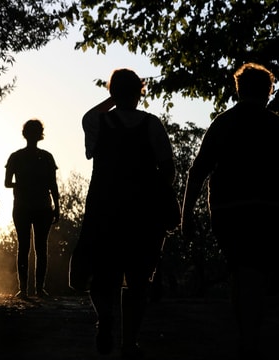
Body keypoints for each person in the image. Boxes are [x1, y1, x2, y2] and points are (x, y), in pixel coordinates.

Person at [180, 62, 279, 359]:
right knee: (257, 270)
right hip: (269, 209)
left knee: (240, 268)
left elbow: (197, 172)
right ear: (269, 92)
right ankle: (249, 337)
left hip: (228, 209)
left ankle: (245, 335)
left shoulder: (222, 123)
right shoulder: (276, 125)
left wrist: (186, 216)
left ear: (238, 89)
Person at [77, 68, 176, 360]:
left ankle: (105, 316)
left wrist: (112, 97)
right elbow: (168, 169)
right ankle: (129, 343)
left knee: (101, 273)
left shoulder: (97, 120)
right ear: (140, 92)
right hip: (142, 211)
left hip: (104, 207)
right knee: (138, 278)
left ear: (111, 92)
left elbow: (91, 119)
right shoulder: (152, 124)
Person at [5, 119, 61, 299]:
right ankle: (38, 289)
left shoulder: (16, 156)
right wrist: (57, 206)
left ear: (25, 134)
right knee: (40, 248)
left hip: (23, 205)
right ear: (40, 135)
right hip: (42, 206)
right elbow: (53, 185)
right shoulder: (46, 157)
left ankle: (24, 289)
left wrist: (21, 185)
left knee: (24, 247)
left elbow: (7, 183)